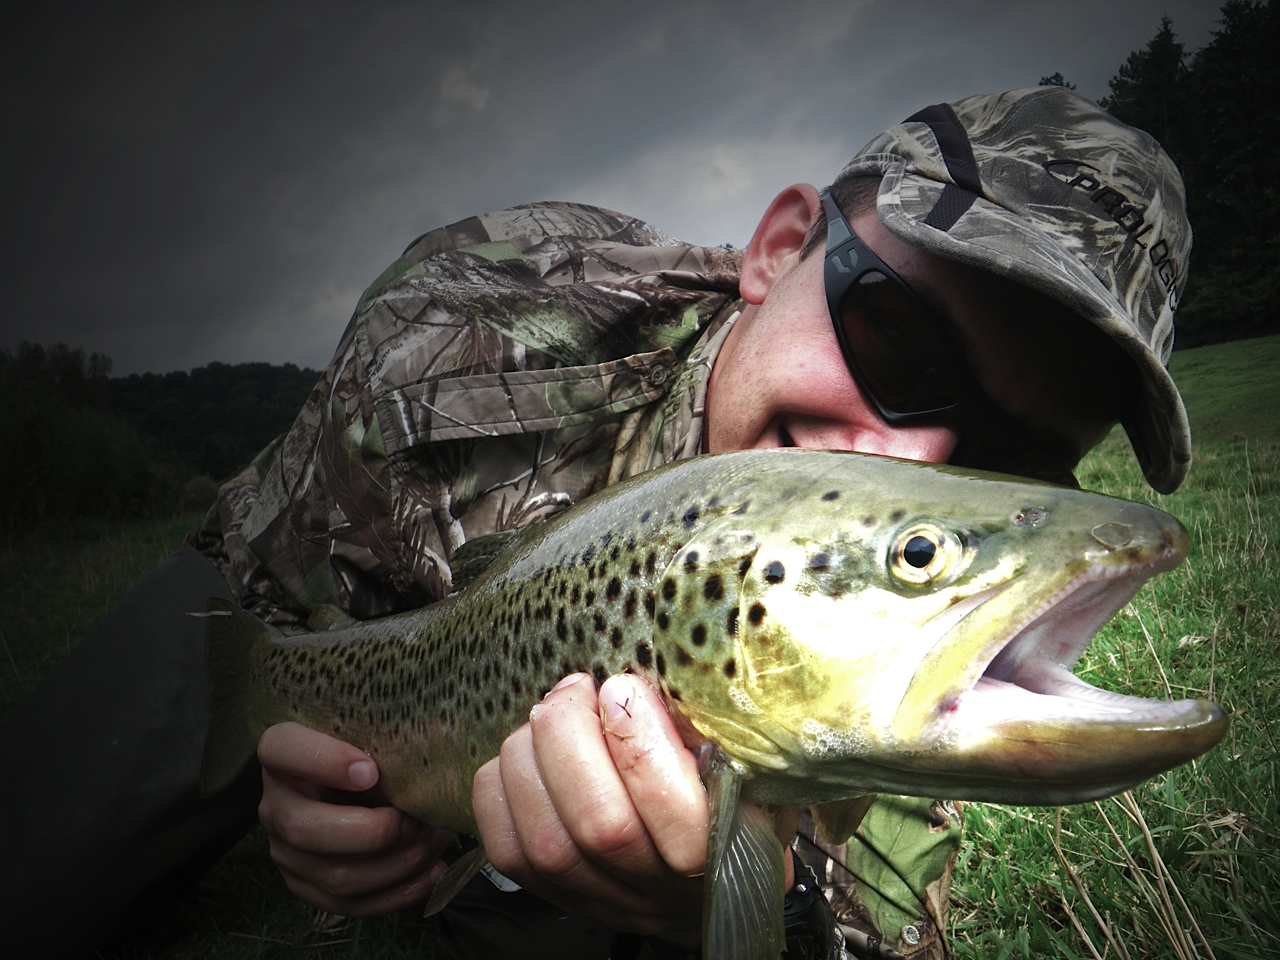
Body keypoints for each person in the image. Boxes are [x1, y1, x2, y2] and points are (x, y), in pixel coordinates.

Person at [0, 86, 1193, 959]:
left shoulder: (895, 661)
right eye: (898, 340)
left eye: (1011, 456)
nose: (908, 455)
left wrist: (738, 921)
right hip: (286, 562)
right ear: (777, 255)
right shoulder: (470, 336)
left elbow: (873, 923)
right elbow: (299, 586)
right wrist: (321, 795)